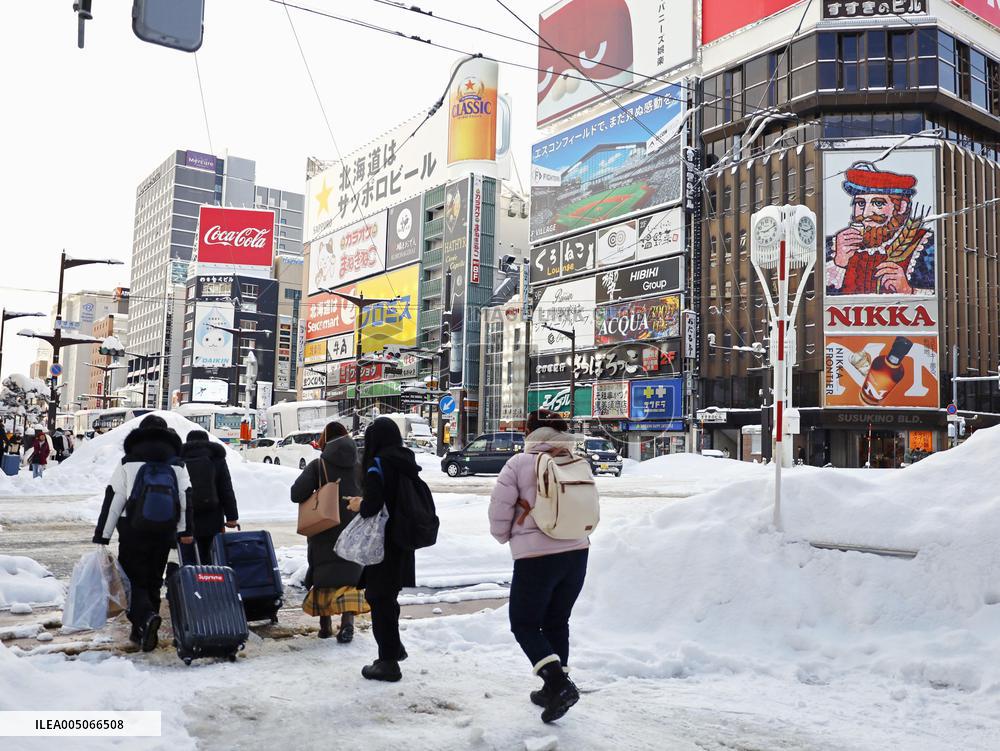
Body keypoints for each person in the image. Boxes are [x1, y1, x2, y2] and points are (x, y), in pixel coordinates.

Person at [489, 409, 591, 723]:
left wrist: (504, 536)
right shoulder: (577, 461)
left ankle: (559, 685)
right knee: (557, 621)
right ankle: (551, 688)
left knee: (524, 622)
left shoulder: (519, 464)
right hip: (577, 553)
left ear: (531, 433)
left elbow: (499, 509)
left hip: (536, 558)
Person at [92, 415, 193, 652]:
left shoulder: (128, 461)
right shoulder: (176, 463)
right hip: (164, 529)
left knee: (133, 580)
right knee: (154, 580)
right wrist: (185, 531)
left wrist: (103, 534)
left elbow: (114, 498)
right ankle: (148, 627)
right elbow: (185, 498)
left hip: (132, 529)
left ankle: (144, 621)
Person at [347, 417, 418, 682]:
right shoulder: (404, 461)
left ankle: (387, 662)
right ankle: (393, 648)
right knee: (388, 596)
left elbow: (373, 505)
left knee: (379, 599)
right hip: (402, 540)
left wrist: (358, 504)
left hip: (382, 542)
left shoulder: (379, 464)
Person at [290, 422, 366, 642]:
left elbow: (296, 493)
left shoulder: (318, 465)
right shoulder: (359, 464)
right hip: (353, 530)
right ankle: (347, 623)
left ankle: (325, 627)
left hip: (325, 529)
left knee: (324, 578)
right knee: (349, 580)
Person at [179, 430, 239, 564]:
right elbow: (226, 489)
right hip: (212, 517)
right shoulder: (217, 459)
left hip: (187, 519)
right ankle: (210, 581)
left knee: (188, 557)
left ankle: (190, 582)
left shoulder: (180, 460)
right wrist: (232, 517)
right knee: (211, 557)